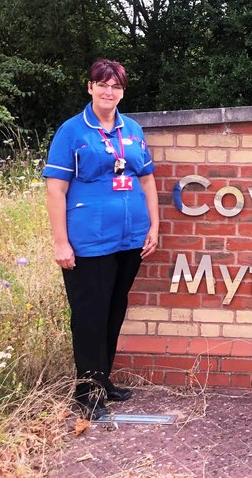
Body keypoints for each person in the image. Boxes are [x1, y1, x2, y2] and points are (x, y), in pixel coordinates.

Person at [43, 59, 159, 419]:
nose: (109, 92)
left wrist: (154, 226)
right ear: (90, 87)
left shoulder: (133, 129)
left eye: (116, 86)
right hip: (89, 242)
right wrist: (61, 243)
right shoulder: (72, 131)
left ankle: (103, 380)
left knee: (113, 310)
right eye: (102, 84)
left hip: (129, 239)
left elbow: (147, 180)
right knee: (89, 316)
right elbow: (55, 190)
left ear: (122, 91)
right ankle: (87, 393)